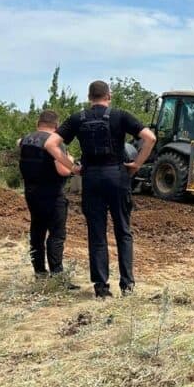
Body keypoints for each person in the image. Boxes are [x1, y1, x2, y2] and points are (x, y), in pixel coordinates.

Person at [58, 80, 156, 298]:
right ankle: (127, 286)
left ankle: (101, 289)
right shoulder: (120, 116)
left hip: (91, 178)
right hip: (117, 176)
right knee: (123, 230)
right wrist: (138, 164)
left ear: (89, 97)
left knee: (97, 234)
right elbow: (150, 138)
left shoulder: (77, 118)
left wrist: (72, 167)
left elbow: (51, 144)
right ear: (108, 96)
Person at [18, 109, 79, 287]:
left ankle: (39, 272)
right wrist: (70, 159)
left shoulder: (26, 140)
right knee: (56, 235)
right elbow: (63, 170)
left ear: (39, 123)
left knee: (37, 232)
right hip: (52, 195)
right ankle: (57, 276)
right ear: (56, 125)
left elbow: (19, 143)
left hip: (31, 193)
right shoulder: (55, 143)